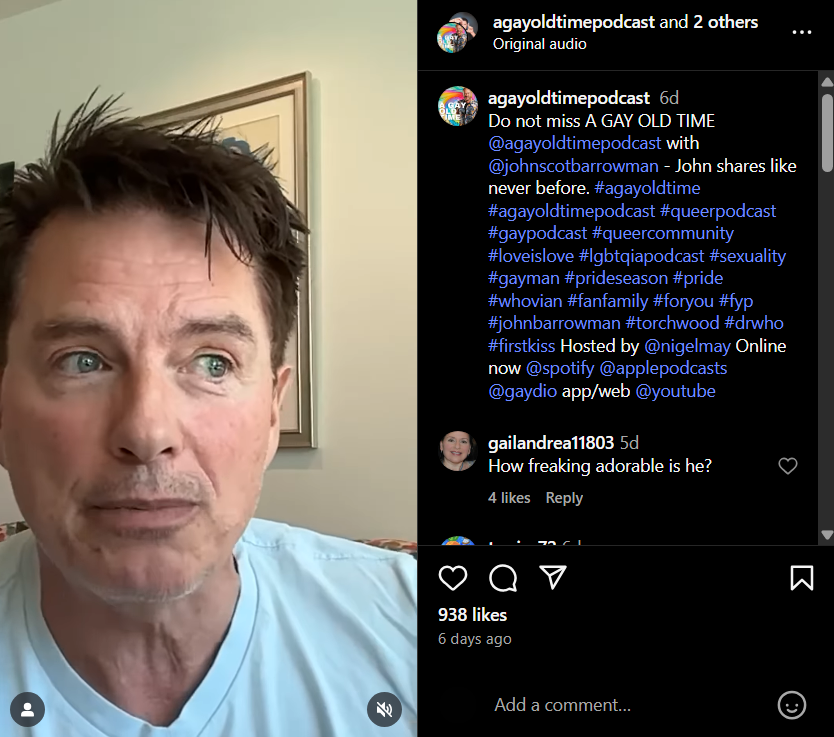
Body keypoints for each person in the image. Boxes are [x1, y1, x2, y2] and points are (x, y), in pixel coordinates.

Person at [0, 93, 416, 735]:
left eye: (213, 363)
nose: (147, 432)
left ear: (273, 410)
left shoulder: (409, 618)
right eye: (82, 361)